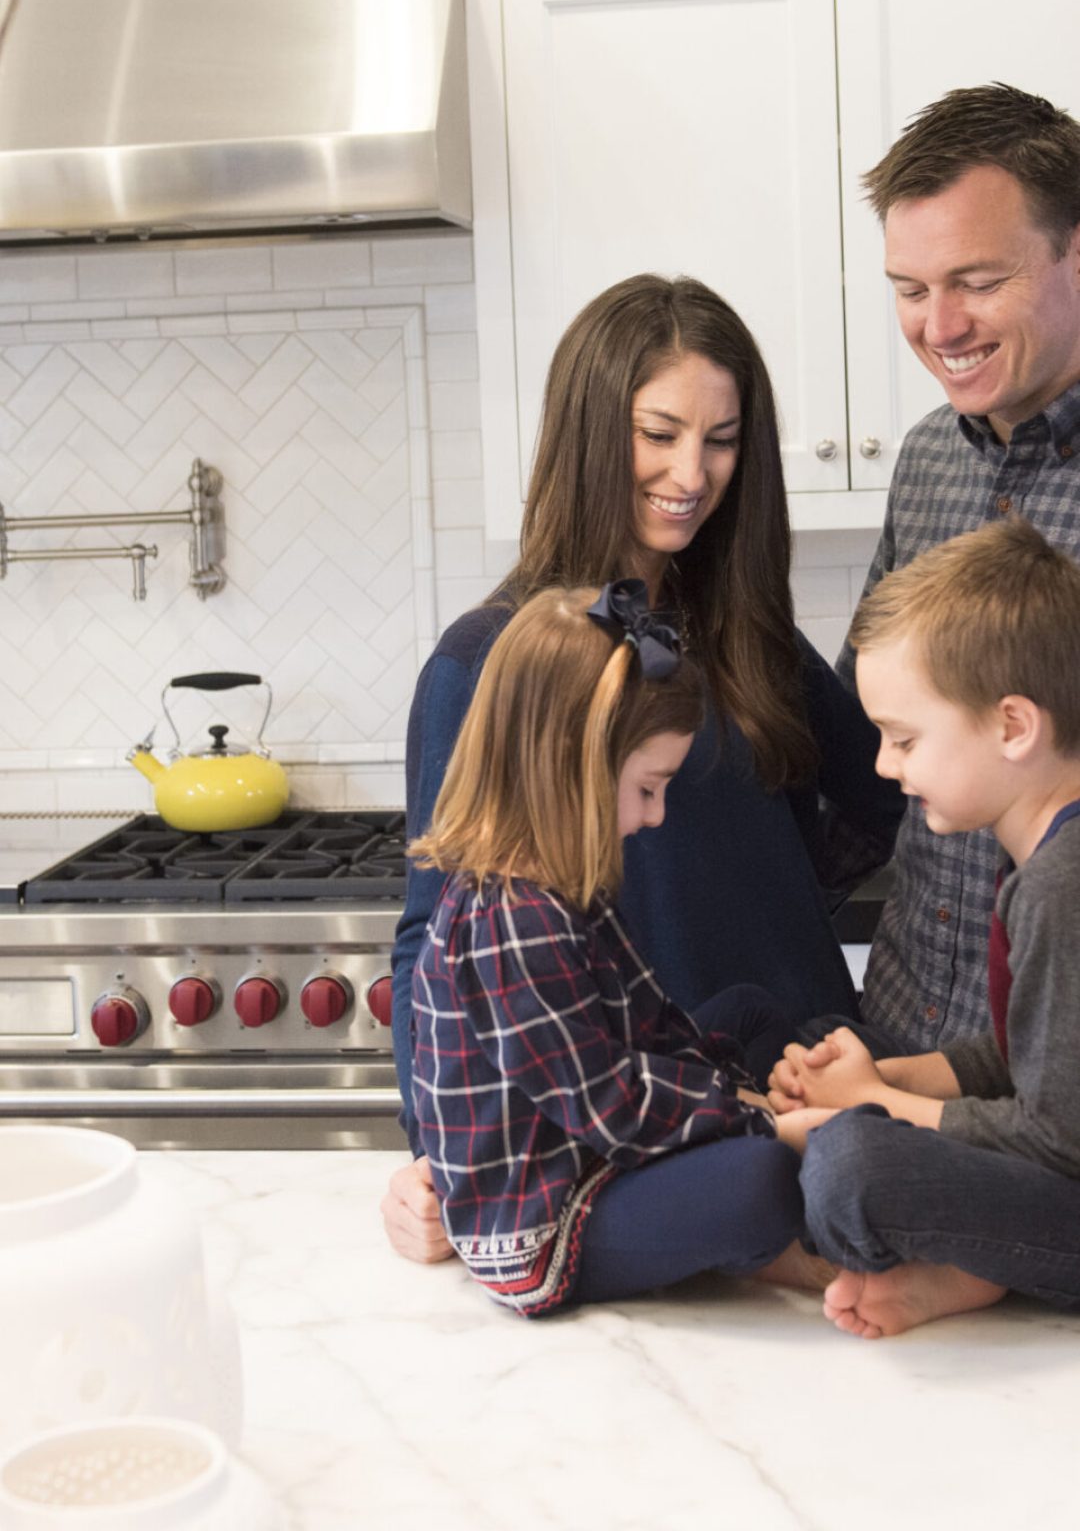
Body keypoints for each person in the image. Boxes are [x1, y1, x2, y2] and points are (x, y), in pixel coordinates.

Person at [384, 274, 902, 1262]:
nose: (692, 472)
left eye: (721, 438)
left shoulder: (751, 639)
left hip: (807, 1095)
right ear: (589, 431)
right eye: (658, 433)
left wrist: (775, 888)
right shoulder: (491, 665)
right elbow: (430, 943)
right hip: (631, 1148)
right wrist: (436, 1155)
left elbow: (883, 795)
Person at [410, 580, 832, 1315]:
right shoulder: (513, 920)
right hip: (541, 1220)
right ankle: (784, 1251)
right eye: (646, 789)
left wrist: (739, 1093)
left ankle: (740, 1179)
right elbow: (609, 1100)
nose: (656, 816)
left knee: (753, 1014)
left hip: (585, 1144)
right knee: (761, 1181)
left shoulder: (558, 883)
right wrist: (761, 1119)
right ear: (568, 765)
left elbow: (648, 1023)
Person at [771, 519, 1080, 1338]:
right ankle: (972, 1267)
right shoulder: (1048, 856)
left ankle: (979, 1263)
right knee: (845, 1095)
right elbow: (1029, 1058)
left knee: (849, 1170)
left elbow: (1059, 1139)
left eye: (904, 738)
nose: (882, 766)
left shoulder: (1062, 883)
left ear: (1014, 726)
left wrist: (866, 1107)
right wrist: (894, 1080)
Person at [842, 82, 1080, 1056]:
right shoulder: (927, 457)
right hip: (908, 1016)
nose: (939, 328)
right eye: (910, 288)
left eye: (978, 281)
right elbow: (879, 728)